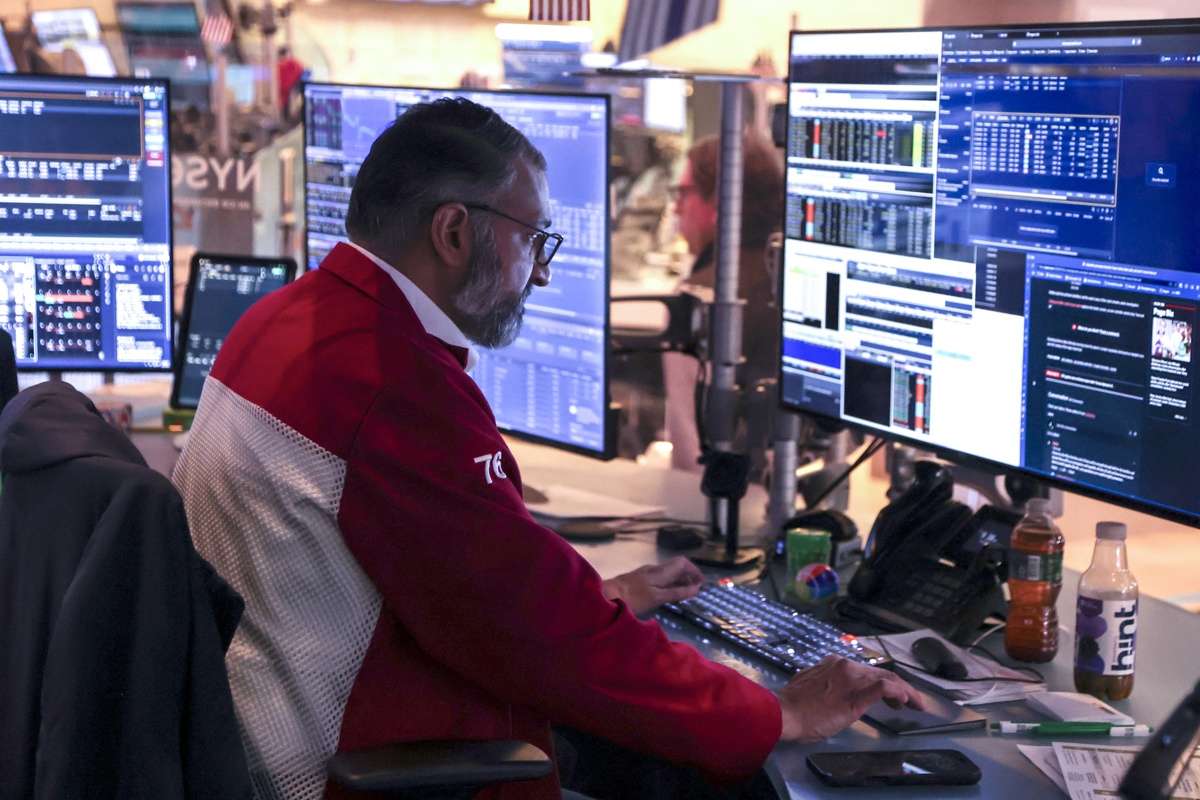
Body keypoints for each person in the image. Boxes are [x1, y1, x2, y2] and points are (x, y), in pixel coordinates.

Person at [173, 98, 922, 800]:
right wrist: (775, 713)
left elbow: (466, 587)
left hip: (277, 740)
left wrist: (591, 601)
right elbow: (545, 641)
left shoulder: (284, 320)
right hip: (352, 771)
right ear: (453, 232)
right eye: (532, 238)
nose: (543, 270)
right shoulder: (392, 385)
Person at [663, 130, 784, 475]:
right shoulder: (792, 278)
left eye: (683, 194)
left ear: (720, 201)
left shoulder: (698, 298)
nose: (676, 208)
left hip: (723, 495)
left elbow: (689, 450)